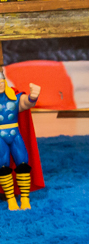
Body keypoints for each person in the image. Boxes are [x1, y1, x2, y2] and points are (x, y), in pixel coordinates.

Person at [0, 68, 40, 211]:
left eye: (0, 78)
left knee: (23, 163)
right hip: (0, 138)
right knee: (3, 167)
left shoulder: (13, 97)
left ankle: (25, 198)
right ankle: (10, 199)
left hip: (15, 134)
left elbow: (24, 102)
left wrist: (33, 97)